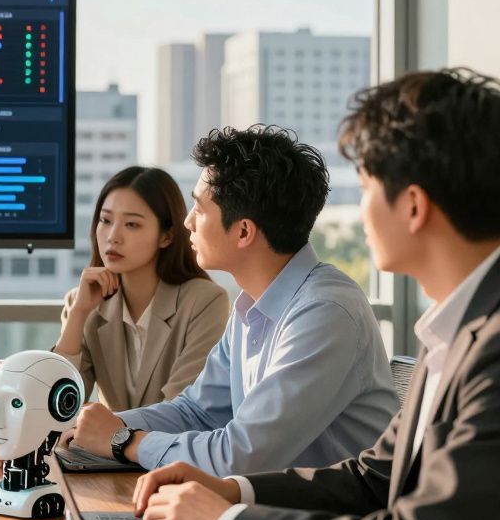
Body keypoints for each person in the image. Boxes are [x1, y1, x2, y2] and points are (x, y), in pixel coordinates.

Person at [130, 68, 500, 520]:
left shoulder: (489, 346)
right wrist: (231, 491)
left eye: (367, 187)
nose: (357, 209)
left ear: (413, 206)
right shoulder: (452, 330)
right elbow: (372, 480)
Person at [65, 125, 397, 475]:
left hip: (325, 510)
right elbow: (197, 412)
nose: (188, 223)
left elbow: (241, 455)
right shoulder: (251, 306)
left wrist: (122, 440)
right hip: (267, 502)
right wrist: (97, 428)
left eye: (199, 209)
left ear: (243, 231)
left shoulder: (325, 312)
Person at [53, 166, 228, 410]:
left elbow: (182, 409)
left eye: (132, 224)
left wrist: (106, 426)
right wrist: (79, 313)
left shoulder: (205, 302)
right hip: (104, 436)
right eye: (105, 220)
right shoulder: (81, 302)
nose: (113, 236)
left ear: (166, 236)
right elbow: (56, 403)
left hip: (171, 436)